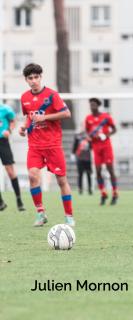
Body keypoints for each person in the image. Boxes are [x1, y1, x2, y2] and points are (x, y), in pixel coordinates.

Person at [19, 63, 75, 227]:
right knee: (32, 176)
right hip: (35, 146)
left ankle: (69, 216)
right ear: (26, 80)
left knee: (61, 181)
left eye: (36, 77)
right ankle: (40, 213)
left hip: (53, 145)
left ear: (41, 77)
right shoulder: (24, 98)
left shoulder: (52, 95)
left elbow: (66, 113)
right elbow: (29, 116)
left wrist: (45, 117)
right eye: (30, 78)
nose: (34, 81)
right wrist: (24, 127)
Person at [85, 98, 118, 205]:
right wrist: (89, 137)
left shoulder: (106, 117)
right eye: (91, 105)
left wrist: (106, 135)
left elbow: (114, 129)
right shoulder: (88, 119)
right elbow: (88, 132)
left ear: (98, 106)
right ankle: (103, 193)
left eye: (94, 105)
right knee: (98, 171)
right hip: (96, 147)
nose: (92, 107)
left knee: (110, 169)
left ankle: (115, 192)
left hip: (106, 146)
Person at [0, 103, 25, 211]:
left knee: (10, 171)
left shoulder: (5, 109)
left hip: (3, 142)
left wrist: (9, 131)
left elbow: (13, 120)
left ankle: (19, 200)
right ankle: (1, 202)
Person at [72, 130, 92, 195]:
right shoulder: (78, 137)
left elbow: (91, 147)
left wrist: (90, 140)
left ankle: (89, 188)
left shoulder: (89, 136)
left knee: (89, 174)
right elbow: (74, 148)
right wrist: (73, 154)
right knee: (80, 174)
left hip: (88, 159)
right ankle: (80, 189)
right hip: (80, 158)